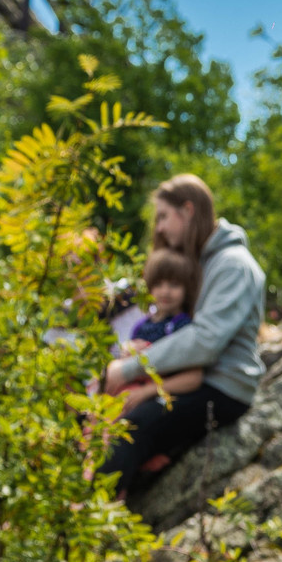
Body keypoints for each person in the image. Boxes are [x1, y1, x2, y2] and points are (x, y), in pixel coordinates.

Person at [97, 175, 264, 496]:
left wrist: (129, 369)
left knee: (136, 425)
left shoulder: (233, 265)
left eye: (163, 216)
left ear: (187, 210)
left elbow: (205, 341)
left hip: (221, 387)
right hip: (191, 379)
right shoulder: (201, 262)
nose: (158, 228)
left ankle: (92, 516)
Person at [112, 248, 205, 406]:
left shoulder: (182, 325)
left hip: (159, 398)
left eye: (174, 285)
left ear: (186, 288)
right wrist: (126, 352)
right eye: (158, 285)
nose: (165, 292)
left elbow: (193, 375)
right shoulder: (141, 326)